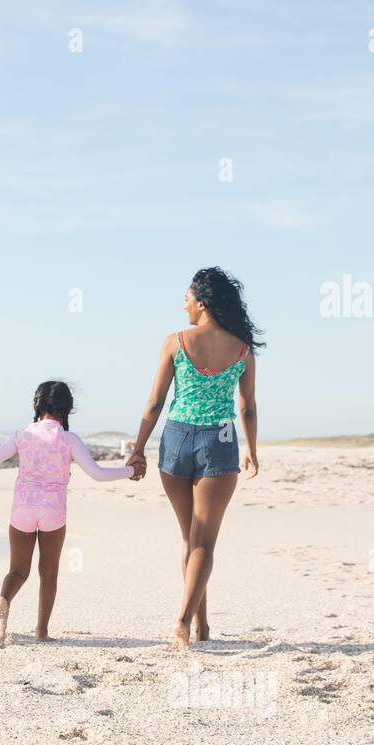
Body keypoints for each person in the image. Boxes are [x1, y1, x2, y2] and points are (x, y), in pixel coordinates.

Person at [127, 267, 264, 651]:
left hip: (176, 439)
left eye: (187, 298)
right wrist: (251, 448)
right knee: (203, 542)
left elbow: (154, 403)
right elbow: (247, 408)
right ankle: (187, 622)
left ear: (201, 303)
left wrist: (139, 448)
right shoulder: (242, 349)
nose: (183, 304)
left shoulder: (175, 342)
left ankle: (197, 626)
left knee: (189, 539)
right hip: (220, 442)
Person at [0, 381, 142, 644]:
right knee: (48, 572)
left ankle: (3, 600)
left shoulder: (22, 435)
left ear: (37, 404)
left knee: (18, 570)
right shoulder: (68, 439)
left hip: (23, 509)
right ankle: (41, 632)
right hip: (53, 511)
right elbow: (97, 474)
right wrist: (130, 472)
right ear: (68, 409)